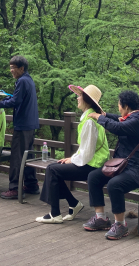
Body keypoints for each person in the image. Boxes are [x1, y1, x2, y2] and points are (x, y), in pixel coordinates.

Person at [35, 84, 110, 223]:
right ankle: (73, 204)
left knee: (52, 169)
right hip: (93, 162)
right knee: (55, 169)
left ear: (87, 100)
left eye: (80, 95)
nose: (77, 98)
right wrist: (72, 158)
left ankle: (55, 214)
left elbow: (87, 153)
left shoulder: (89, 121)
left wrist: (72, 160)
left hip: (92, 165)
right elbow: (86, 149)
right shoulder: (91, 117)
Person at [85, 90, 139, 240]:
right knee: (94, 177)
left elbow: (119, 128)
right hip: (124, 166)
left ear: (126, 106)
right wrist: (106, 114)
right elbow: (119, 119)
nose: (119, 108)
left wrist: (99, 117)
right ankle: (101, 217)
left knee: (114, 184)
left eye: (119, 105)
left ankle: (120, 224)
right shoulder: (132, 116)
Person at [0, 55, 40, 199]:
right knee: (27, 154)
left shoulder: (22, 81)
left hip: (23, 124)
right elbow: (16, 98)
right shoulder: (28, 80)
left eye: (13, 68)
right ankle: (31, 184)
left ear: (21, 68)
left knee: (17, 156)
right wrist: (5, 99)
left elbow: (15, 101)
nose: (11, 71)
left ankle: (14, 188)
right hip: (30, 123)